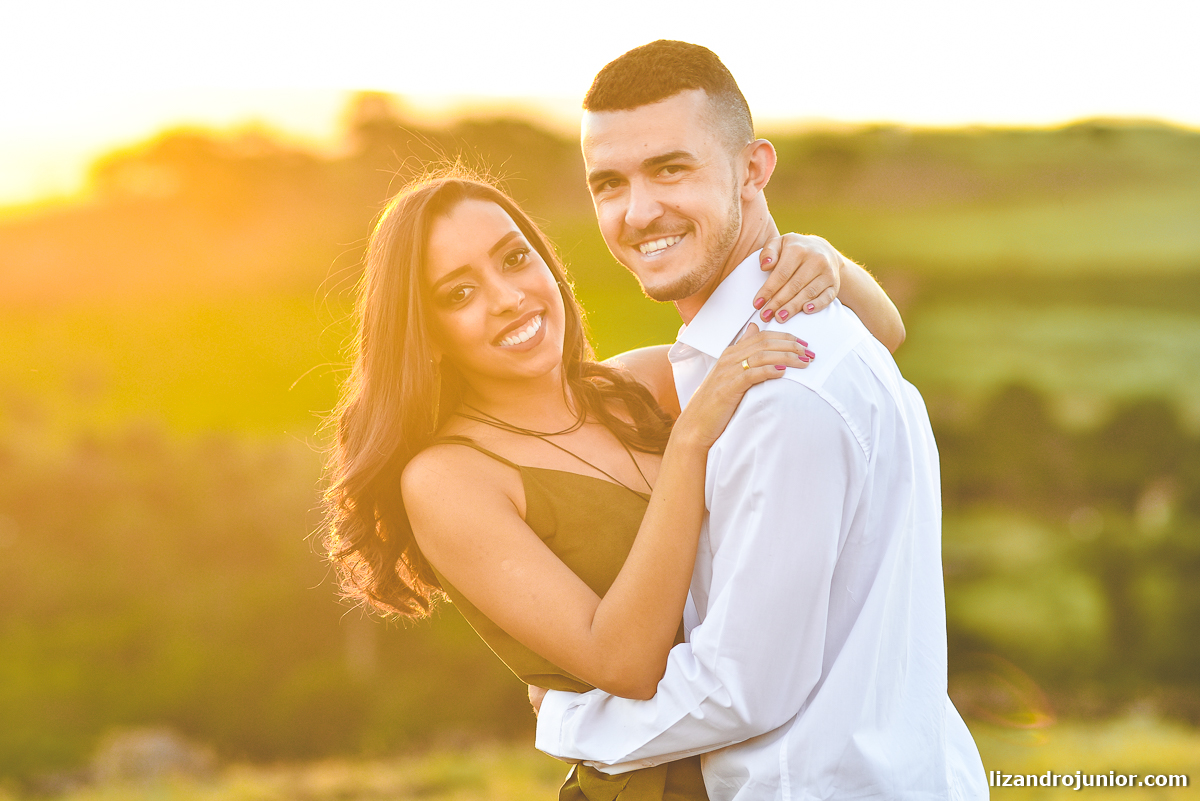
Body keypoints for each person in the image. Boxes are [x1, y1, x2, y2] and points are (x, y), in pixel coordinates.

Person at [322, 169, 906, 800]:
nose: (508, 298)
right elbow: (623, 662)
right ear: (427, 336)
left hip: (782, 772)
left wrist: (824, 263)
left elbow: (880, 336)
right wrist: (688, 446)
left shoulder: (639, 385)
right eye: (459, 294)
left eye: (515, 259)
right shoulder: (448, 478)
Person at [529, 41, 989, 801]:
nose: (638, 211)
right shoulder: (776, 345)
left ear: (753, 169)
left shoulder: (779, 388)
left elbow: (743, 687)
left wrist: (570, 718)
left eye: (671, 168)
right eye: (609, 182)